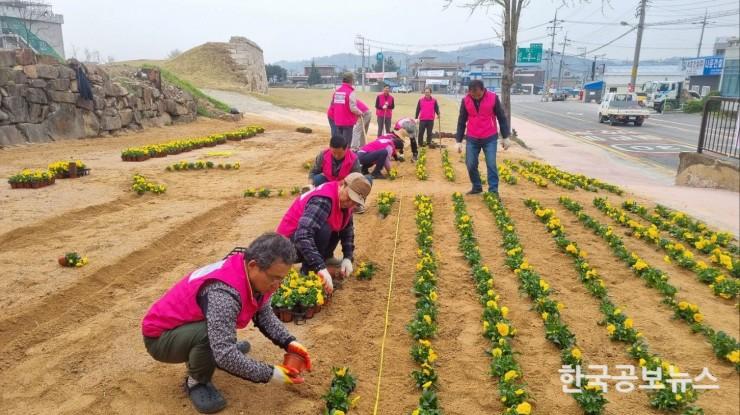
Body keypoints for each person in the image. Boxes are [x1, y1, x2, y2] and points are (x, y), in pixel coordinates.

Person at [142, 233, 310, 414]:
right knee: (211, 337)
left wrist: (290, 342)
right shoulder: (224, 293)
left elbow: (264, 313)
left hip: (186, 325)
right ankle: (197, 381)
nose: (277, 284)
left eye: (282, 278)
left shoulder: (254, 275)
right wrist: (270, 373)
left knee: (219, 334)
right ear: (253, 266)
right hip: (161, 338)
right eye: (274, 278)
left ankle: (209, 351)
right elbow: (224, 354)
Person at [277, 173, 372, 294]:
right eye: (349, 197)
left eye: (355, 202)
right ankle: (307, 274)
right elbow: (303, 235)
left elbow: (347, 230)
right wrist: (319, 267)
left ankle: (325, 258)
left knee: (338, 223)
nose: (350, 204)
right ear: (343, 184)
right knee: (324, 228)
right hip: (286, 248)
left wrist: (348, 257)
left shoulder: (345, 203)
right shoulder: (323, 200)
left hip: (301, 243)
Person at [455, 80, 511, 195]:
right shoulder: (465, 100)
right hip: (472, 137)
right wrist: (458, 140)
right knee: (470, 164)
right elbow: (461, 121)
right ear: (469, 91)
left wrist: (505, 137)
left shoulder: (493, 98)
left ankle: (493, 191)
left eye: (478, 95)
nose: (475, 97)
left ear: (483, 90)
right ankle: (476, 186)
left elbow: (501, 118)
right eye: (473, 95)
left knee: (491, 164)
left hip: (489, 136)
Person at [329, 73, 362, 146]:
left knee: (340, 143)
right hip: (347, 121)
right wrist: (360, 112)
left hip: (338, 121)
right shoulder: (350, 92)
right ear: (351, 80)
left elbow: (333, 105)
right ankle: (346, 156)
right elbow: (352, 107)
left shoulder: (337, 91)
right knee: (346, 144)